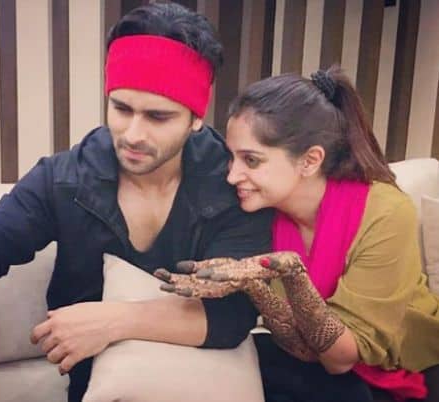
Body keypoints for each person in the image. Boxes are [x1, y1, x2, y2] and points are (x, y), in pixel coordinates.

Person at [0, 4, 272, 402]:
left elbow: (232, 313)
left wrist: (113, 320)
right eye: (121, 108)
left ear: (196, 118)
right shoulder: (66, 178)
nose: (133, 134)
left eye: (158, 116)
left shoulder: (234, 186)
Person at [156, 66, 439, 402]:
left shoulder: (387, 213)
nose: (232, 176)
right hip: (311, 361)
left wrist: (287, 274)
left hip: (406, 366)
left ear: (310, 161)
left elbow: (341, 358)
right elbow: (297, 345)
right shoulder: (257, 212)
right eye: (231, 158)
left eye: (251, 160)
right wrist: (254, 284)